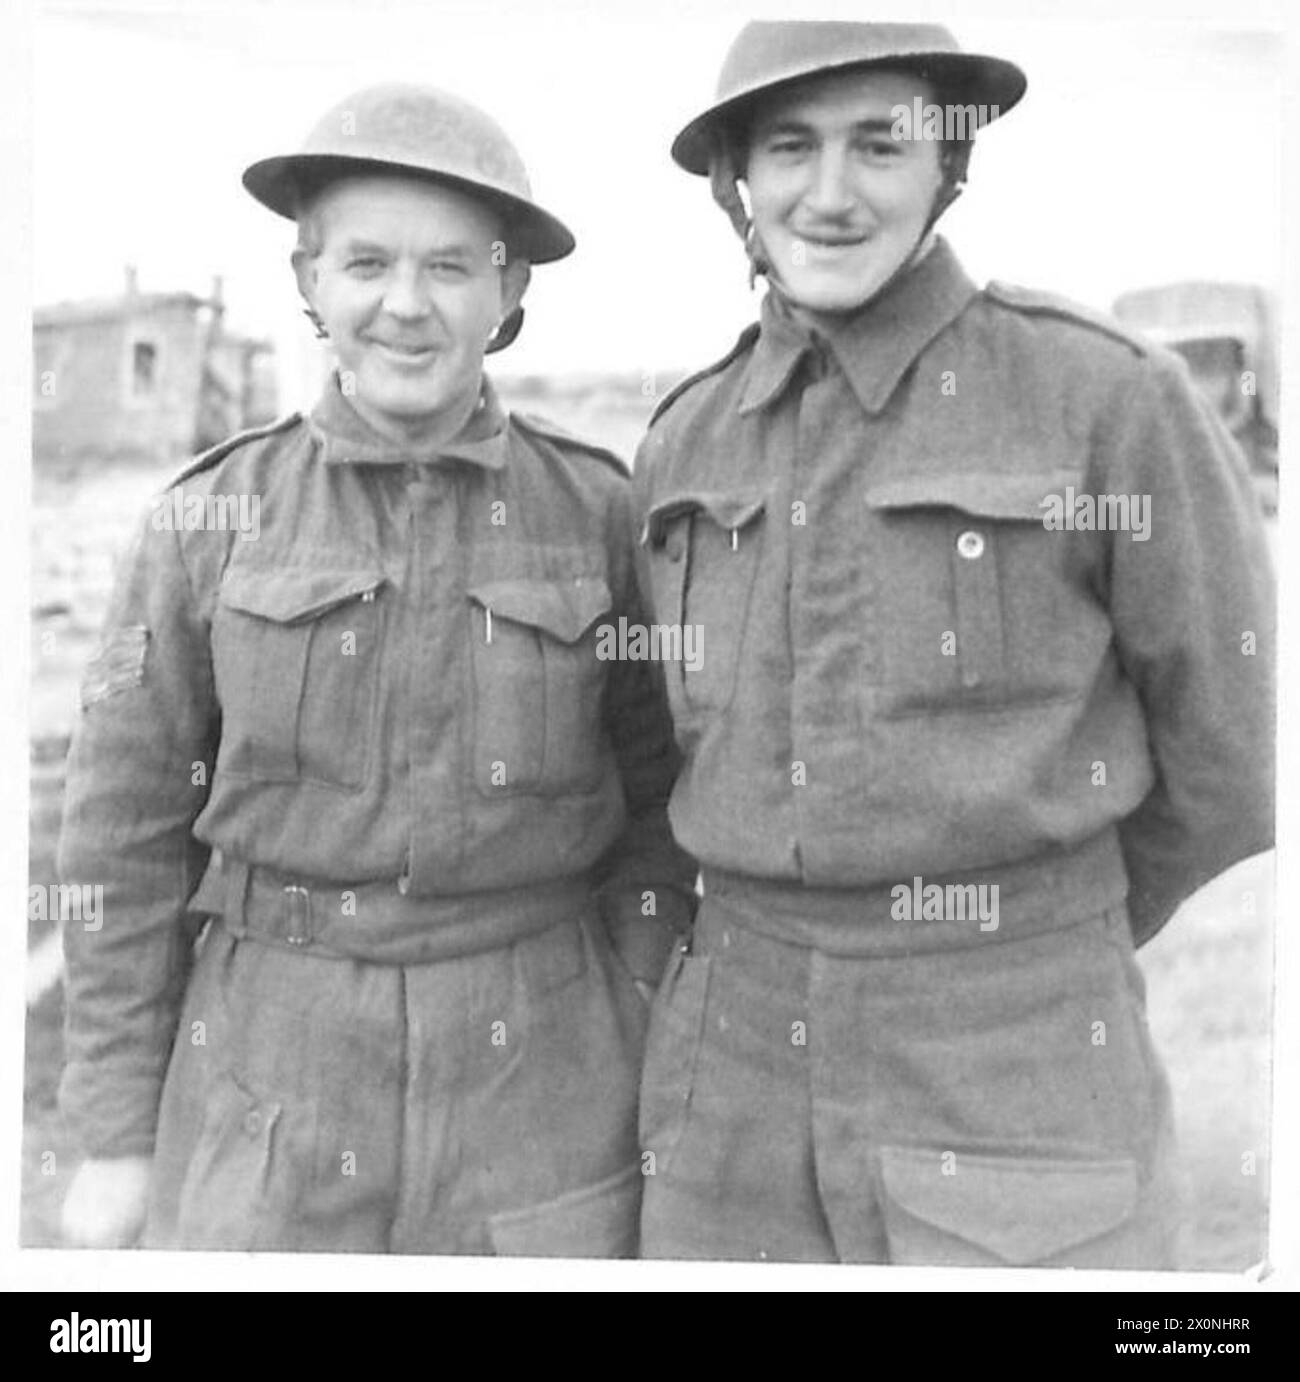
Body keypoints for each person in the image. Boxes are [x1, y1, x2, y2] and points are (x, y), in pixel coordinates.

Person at [633, 21, 1274, 1266]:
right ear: (736, 186)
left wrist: (1021, 938)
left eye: (882, 143)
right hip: (730, 1072)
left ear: (949, 167)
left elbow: (1234, 760)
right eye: (788, 147)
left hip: (1017, 1051)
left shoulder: (1108, 399)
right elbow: (661, 758)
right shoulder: (684, 440)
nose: (830, 193)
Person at [57, 82, 694, 1254]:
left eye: (452, 268)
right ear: (307, 282)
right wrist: (111, 1130)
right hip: (268, 1073)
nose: (406, 306)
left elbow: (662, 802)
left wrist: (637, 1001)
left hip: (543, 1072)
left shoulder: (601, 512)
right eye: (365, 265)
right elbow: (122, 840)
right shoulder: (208, 518)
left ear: (508, 292)